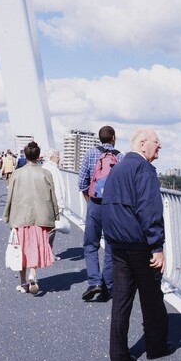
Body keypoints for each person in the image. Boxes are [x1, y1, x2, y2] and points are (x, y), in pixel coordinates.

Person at [102, 129, 169, 361]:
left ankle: (118, 357)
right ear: (142, 144)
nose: (159, 147)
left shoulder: (117, 168)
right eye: (156, 143)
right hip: (139, 245)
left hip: (117, 244)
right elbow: (149, 210)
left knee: (121, 300)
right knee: (152, 298)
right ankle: (156, 348)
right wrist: (157, 247)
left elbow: (106, 204)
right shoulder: (145, 170)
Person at [4, 141, 59, 295]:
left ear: (25, 155)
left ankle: (22, 283)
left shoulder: (17, 173)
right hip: (41, 216)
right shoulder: (45, 173)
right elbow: (52, 196)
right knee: (34, 245)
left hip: (20, 215)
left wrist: (7, 215)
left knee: (21, 248)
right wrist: (55, 214)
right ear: (38, 156)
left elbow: (10, 196)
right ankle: (33, 273)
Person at [77, 125, 120, 303]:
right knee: (110, 246)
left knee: (90, 245)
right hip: (113, 207)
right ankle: (107, 287)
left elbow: (81, 183)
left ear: (99, 138)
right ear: (113, 138)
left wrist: (90, 200)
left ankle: (94, 281)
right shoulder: (120, 156)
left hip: (94, 204)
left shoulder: (90, 154)